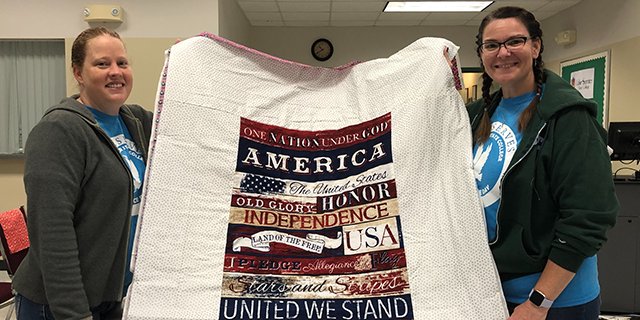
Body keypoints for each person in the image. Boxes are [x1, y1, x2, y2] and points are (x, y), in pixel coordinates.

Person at [465, 6, 618, 320]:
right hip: (490, 291)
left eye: (514, 42)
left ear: (536, 46)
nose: (502, 53)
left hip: (552, 303)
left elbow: (589, 218)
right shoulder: (478, 114)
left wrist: (538, 302)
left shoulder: (568, 117)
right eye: (491, 45)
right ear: (482, 54)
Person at [11, 26, 153, 320]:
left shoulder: (135, 121)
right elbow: (52, 233)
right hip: (60, 306)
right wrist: (74, 313)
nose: (115, 72)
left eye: (122, 63)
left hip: (113, 297)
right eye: (102, 64)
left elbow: (191, 128)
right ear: (78, 72)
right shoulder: (59, 131)